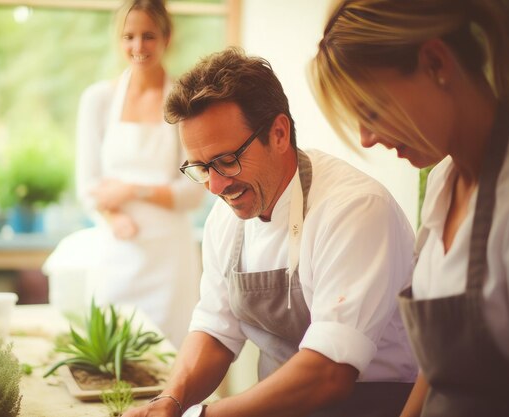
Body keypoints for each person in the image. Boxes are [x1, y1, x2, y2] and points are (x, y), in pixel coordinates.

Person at [124, 47, 417, 417]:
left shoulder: (354, 209)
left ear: (279, 133)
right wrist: (170, 400)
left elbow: (329, 373)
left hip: (372, 403)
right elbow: (216, 329)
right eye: (200, 168)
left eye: (226, 161)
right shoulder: (224, 217)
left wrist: (205, 415)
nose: (214, 186)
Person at [312, 0, 509, 416]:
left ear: (435, 63)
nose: (366, 138)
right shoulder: (445, 181)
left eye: (371, 110)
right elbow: (437, 369)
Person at [45, 0, 204, 348]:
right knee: (111, 355)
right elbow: (88, 187)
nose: (138, 47)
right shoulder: (98, 99)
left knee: (170, 357)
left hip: (170, 259)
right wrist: (114, 215)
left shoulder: (184, 100)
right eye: (128, 36)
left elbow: (194, 191)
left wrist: (131, 190)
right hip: (116, 252)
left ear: (167, 36)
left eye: (148, 36)